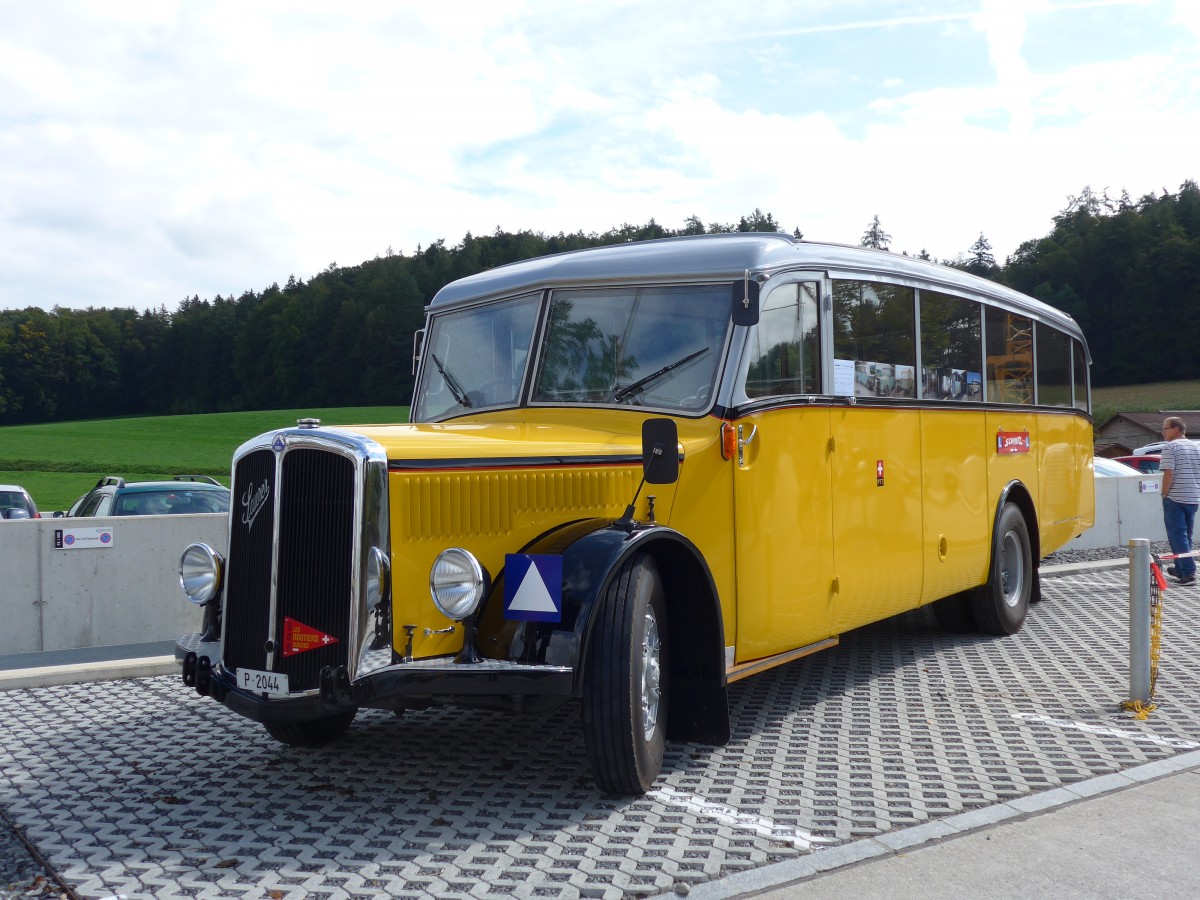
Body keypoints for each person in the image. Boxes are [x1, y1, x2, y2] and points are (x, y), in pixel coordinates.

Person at [1159, 417, 1200, 585]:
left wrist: (1164, 493)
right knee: (1186, 535)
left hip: (1175, 497)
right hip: (1193, 497)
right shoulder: (1196, 447)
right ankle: (1180, 568)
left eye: (1165, 429)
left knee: (1177, 535)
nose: (1163, 432)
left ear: (1175, 429)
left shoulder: (1171, 447)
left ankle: (1188, 573)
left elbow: (1169, 473)